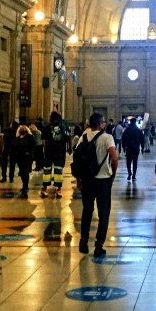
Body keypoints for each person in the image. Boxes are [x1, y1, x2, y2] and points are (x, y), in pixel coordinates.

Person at [73, 112, 118, 256]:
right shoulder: (107, 138)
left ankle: (83, 241)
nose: (105, 124)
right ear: (100, 124)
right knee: (103, 214)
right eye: (103, 122)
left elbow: (77, 157)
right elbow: (114, 157)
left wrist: (79, 178)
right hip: (103, 180)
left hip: (87, 180)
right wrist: (113, 174)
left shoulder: (84, 137)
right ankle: (99, 246)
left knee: (87, 210)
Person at [41, 110, 70, 197]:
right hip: (60, 152)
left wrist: (45, 150)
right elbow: (68, 138)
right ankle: (59, 190)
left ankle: (45, 188)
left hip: (50, 151)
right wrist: (70, 148)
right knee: (58, 171)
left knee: (47, 171)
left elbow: (44, 141)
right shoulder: (64, 126)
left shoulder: (47, 127)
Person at [11, 124, 35, 195]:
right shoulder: (17, 138)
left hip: (27, 158)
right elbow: (13, 147)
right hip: (20, 158)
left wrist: (29, 152)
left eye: (23, 129)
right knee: (22, 172)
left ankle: (25, 186)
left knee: (26, 171)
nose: (22, 131)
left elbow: (33, 146)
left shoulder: (30, 137)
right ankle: (24, 185)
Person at [122, 116, 144, 181]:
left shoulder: (127, 130)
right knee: (135, 161)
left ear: (130, 122)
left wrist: (123, 147)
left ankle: (129, 174)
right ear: (135, 122)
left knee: (128, 162)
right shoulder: (138, 130)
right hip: (136, 148)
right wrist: (142, 148)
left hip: (129, 147)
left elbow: (123, 139)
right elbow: (142, 140)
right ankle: (134, 175)